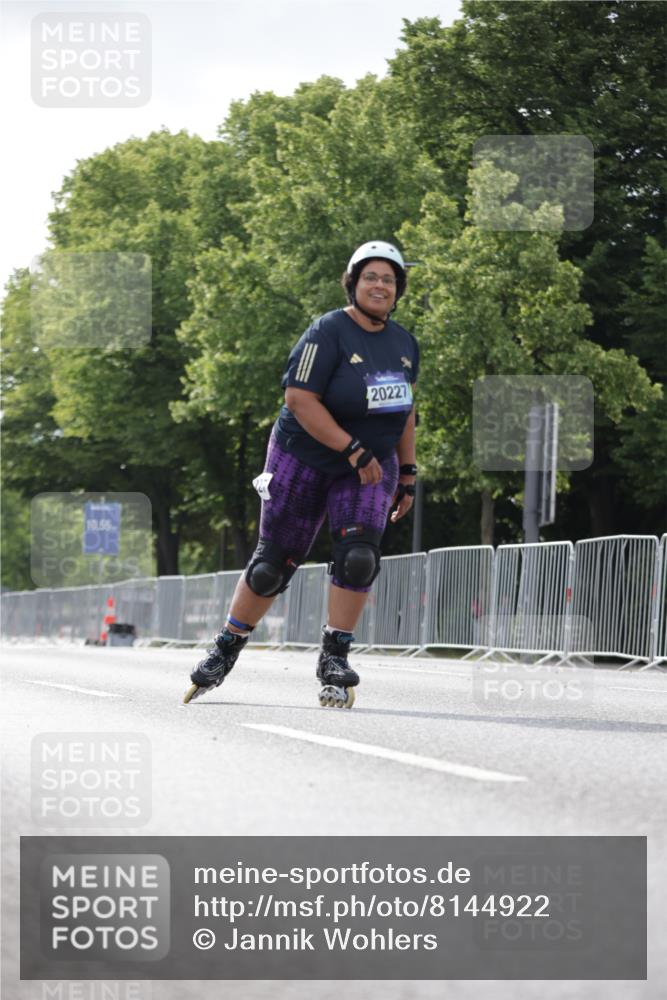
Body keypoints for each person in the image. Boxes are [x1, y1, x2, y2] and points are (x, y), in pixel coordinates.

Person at [184, 240, 419, 706]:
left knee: (359, 557)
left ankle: (335, 656)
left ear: (398, 290)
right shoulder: (327, 331)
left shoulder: (404, 343)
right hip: (305, 455)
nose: (380, 286)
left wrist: (408, 472)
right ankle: (227, 647)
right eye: (371, 277)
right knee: (272, 566)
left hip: (369, 464)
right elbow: (299, 399)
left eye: (389, 280)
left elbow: (405, 409)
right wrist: (351, 448)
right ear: (353, 283)